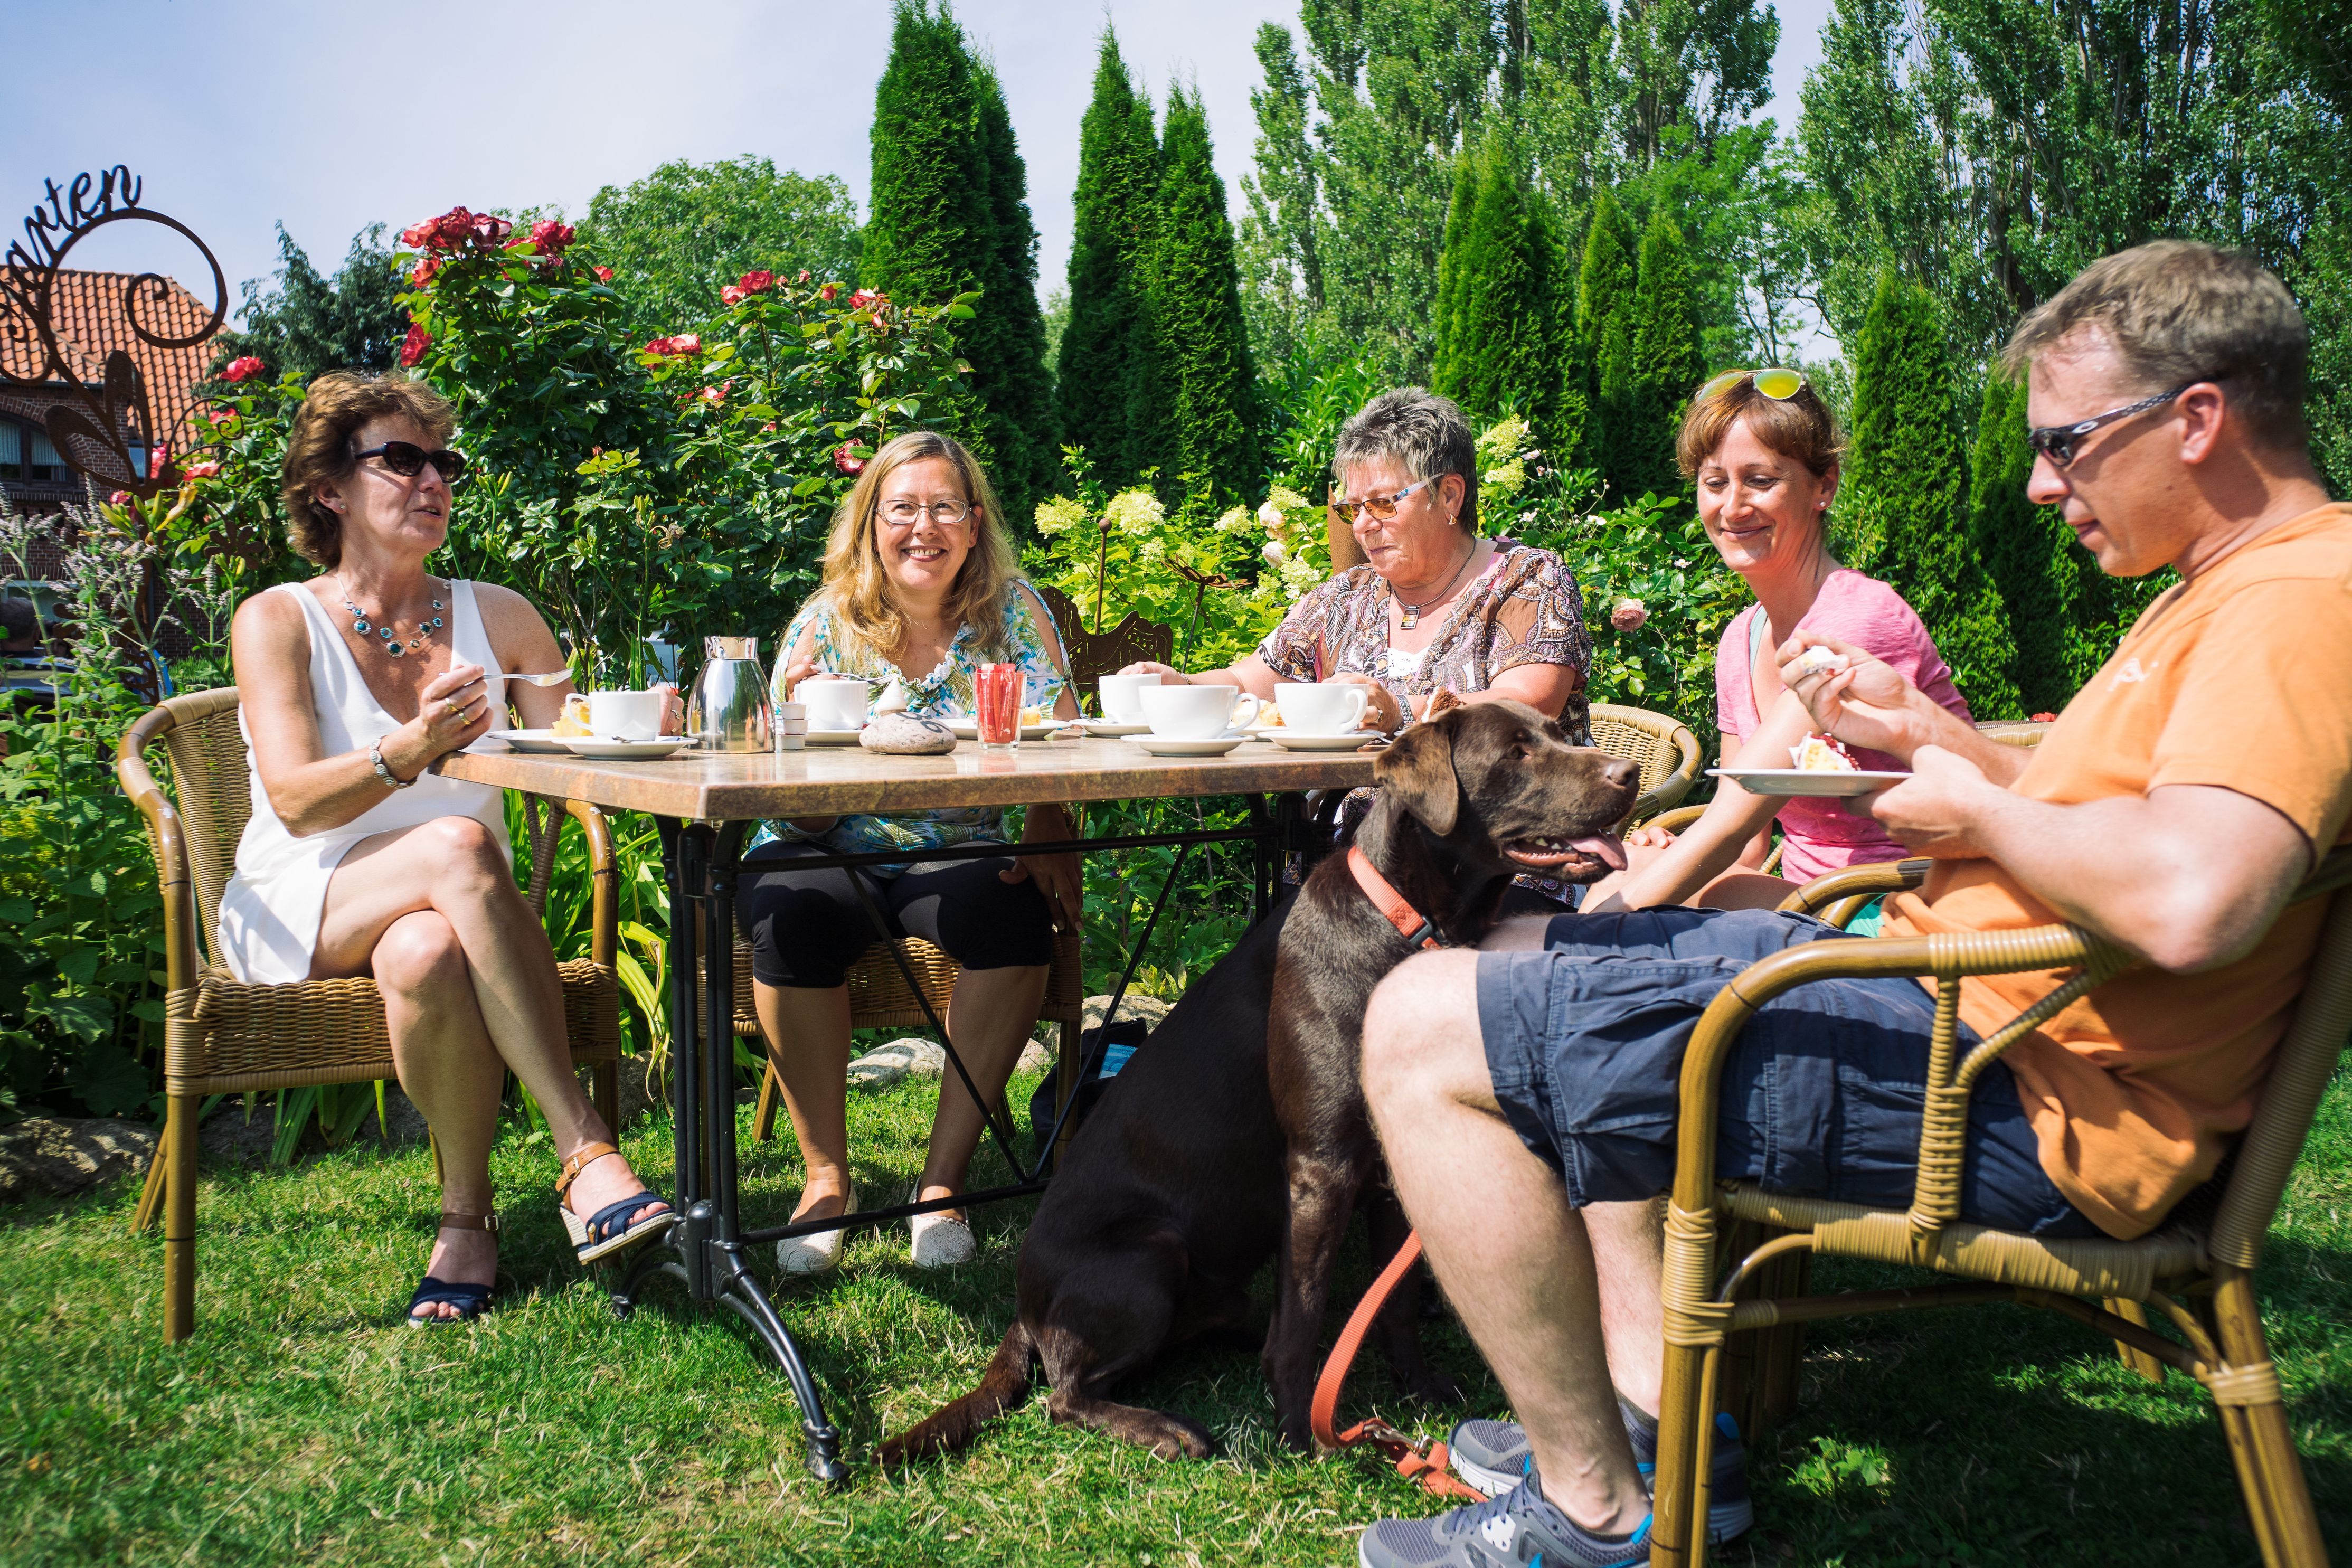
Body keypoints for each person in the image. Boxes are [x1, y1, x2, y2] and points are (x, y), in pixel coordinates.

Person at [1343, 239, 2352, 1567]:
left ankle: (1598, 1513)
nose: (2044, 483)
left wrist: (1976, 812)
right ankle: (1652, 1423)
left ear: (2200, 418)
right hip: (1965, 1020)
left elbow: (2189, 903)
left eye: (2070, 443)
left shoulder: (2293, 606)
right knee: (1565, 964)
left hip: (2014, 1089)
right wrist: (1944, 738)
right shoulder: (2234, 591)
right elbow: (2132, 818)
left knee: (1418, 1023)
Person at [220, 372, 672, 1327]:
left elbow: (573, 750)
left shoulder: (499, 614)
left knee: (425, 948)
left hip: (447, 922)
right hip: (307, 896)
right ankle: (586, 1154)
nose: (432, 481)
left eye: (444, 463)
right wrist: (412, 749)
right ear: (329, 489)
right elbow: (297, 803)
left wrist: (642, 726)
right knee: (460, 846)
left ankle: (466, 1223)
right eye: (401, 459)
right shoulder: (278, 618)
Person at [747, 430, 1083, 1273]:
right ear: (870, 526)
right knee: (791, 910)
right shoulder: (824, 624)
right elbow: (775, 769)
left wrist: (1050, 818)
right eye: (901, 508)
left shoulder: (1014, 612)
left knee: (1010, 911)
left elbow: (1062, 733)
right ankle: (826, 1181)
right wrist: (807, 772)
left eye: (943, 508)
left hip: (959, 840)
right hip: (829, 837)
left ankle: (940, 1187)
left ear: (973, 526)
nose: (922, 527)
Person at [1584, 369, 1972, 916]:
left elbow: (1728, 824)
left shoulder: (1858, 616)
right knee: (1641, 868)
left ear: (1825, 486)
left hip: (1908, 906)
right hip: (1810, 907)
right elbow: (1746, 845)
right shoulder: (1741, 640)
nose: (1733, 506)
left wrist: (1585, 930)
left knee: (1625, 906)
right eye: (1715, 482)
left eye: (1761, 480)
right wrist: (1664, 854)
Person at [1119, 387, 1591, 738]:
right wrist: (1177, 683)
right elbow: (1251, 680)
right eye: (1351, 508)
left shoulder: (1527, 578)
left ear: (1448, 495)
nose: (1362, 525)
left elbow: (1528, 703)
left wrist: (1399, 711)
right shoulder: (1347, 595)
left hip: (1501, 850)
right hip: (1354, 840)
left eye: (1383, 503)